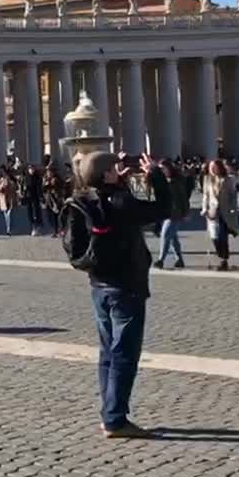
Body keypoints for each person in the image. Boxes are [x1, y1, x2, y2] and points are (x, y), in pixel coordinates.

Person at [62, 151, 169, 438]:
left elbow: (98, 199)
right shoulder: (122, 202)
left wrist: (114, 184)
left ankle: (109, 412)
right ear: (107, 174)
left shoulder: (82, 199)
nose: (119, 169)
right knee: (125, 353)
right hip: (126, 285)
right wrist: (155, 174)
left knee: (108, 351)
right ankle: (115, 419)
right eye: (113, 168)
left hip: (99, 284)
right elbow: (165, 208)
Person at [201, 159, 239, 270]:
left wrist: (233, 208)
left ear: (219, 167)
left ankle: (224, 260)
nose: (212, 169)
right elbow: (205, 195)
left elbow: (233, 194)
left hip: (225, 211)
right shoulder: (207, 179)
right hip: (212, 211)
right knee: (214, 237)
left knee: (223, 236)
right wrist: (204, 208)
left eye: (214, 167)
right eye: (210, 167)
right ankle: (221, 255)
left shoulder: (228, 179)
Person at [153, 159, 189, 269]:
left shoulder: (176, 182)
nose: (162, 171)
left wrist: (186, 212)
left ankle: (160, 260)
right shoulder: (161, 181)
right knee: (173, 237)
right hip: (165, 213)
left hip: (175, 213)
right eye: (160, 169)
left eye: (163, 168)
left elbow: (183, 198)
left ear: (169, 168)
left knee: (165, 235)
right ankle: (179, 260)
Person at [23, 163, 44, 235]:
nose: (31, 170)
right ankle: (33, 227)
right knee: (30, 213)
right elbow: (24, 187)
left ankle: (37, 227)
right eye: (30, 169)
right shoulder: (26, 177)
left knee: (36, 212)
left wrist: (41, 196)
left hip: (35, 197)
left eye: (32, 169)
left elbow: (39, 188)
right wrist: (24, 193)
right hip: (29, 197)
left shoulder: (37, 177)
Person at [0, 166, 18, 235]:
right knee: (6, 215)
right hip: (3, 200)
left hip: (10, 199)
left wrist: (10, 184)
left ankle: (9, 229)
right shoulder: (0, 181)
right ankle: (8, 228)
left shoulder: (12, 181)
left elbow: (16, 188)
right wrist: (2, 186)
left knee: (9, 214)